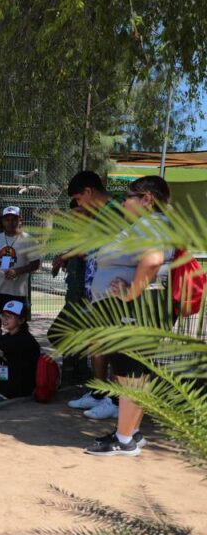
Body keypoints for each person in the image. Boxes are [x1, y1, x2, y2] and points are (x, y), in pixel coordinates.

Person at [84, 175, 174, 457]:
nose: (124, 201)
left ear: (147, 199)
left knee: (130, 376)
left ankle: (124, 441)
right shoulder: (152, 224)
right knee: (133, 375)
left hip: (133, 310)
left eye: (129, 196)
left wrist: (130, 293)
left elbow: (153, 260)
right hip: (132, 310)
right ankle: (129, 432)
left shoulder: (152, 224)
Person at [57, 171, 116, 416]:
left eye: (79, 199)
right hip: (96, 293)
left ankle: (114, 402)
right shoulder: (100, 216)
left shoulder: (115, 212)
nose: (79, 205)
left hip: (113, 293)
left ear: (89, 191)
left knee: (113, 347)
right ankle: (99, 393)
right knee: (97, 344)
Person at [0, 206, 41, 340]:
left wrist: (17, 271)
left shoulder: (28, 240)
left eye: (14, 219)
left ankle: (15, 356)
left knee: (17, 326)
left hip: (16, 292)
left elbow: (35, 264)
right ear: (3, 221)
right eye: (7, 219)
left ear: (21, 220)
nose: (11, 222)